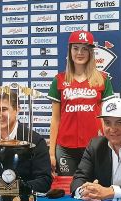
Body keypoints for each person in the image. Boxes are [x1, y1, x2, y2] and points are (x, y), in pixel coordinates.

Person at [47, 30, 115, 176]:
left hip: (95, 147)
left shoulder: (103, 79)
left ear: (91, 52)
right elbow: (55, 119)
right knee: (67, 189)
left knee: (94, 189)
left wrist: (111, 145)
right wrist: (51, 152)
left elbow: (107, 119)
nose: (80, 52)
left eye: (85, 48)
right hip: (65, 148)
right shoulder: (58, 80)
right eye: (76, 48)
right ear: (70, 50)